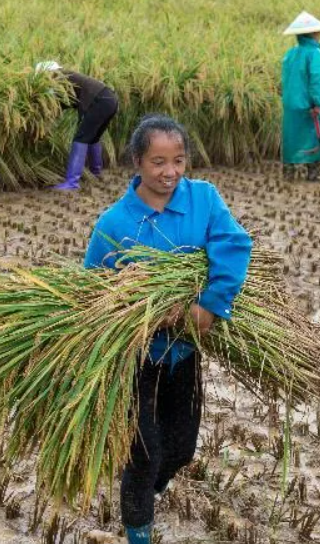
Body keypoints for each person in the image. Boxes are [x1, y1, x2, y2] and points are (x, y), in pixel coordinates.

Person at [83, 115, 252, 544]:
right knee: (144, 454)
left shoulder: (203, 199)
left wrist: (210, 306)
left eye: (178, 160)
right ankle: (137, 529)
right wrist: (141, 306)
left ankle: (141, 493)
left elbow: (233, 246)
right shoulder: (114, 224)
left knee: (180, 449)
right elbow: (91, 290)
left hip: (184, 353)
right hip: (136, 358)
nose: (170, 172)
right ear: (137, 161)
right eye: (158, 162)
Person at [35, 61, 120, 191]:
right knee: (93, 137)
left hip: (100, 101)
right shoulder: (68, 77)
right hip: (111, 100)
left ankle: (72, 182)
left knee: (81, 138)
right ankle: (95, 172)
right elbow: (62, 103)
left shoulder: (59, 78)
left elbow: (55, 101)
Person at [280, 11, 320, 182]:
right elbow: (317, 81)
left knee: (292, 137)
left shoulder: (290, 53)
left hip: (290, 104)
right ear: (313, 33)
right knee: (314, 137)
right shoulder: (315, 54)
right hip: (309, 105)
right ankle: (313, 174)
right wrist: (318, 103)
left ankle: (288, 173)